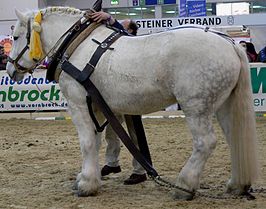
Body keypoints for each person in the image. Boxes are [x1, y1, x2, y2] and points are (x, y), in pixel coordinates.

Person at [90, 11, 147, 185]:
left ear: (130, 30)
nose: (118, 27)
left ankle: (140, 170)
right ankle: (112, 163)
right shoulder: (120, 43)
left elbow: (120, 34)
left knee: (134, 133)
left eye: (122, 26)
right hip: (116, 95)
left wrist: (110, 19)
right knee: (112, 130)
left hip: (131, 95)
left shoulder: (132, 41)